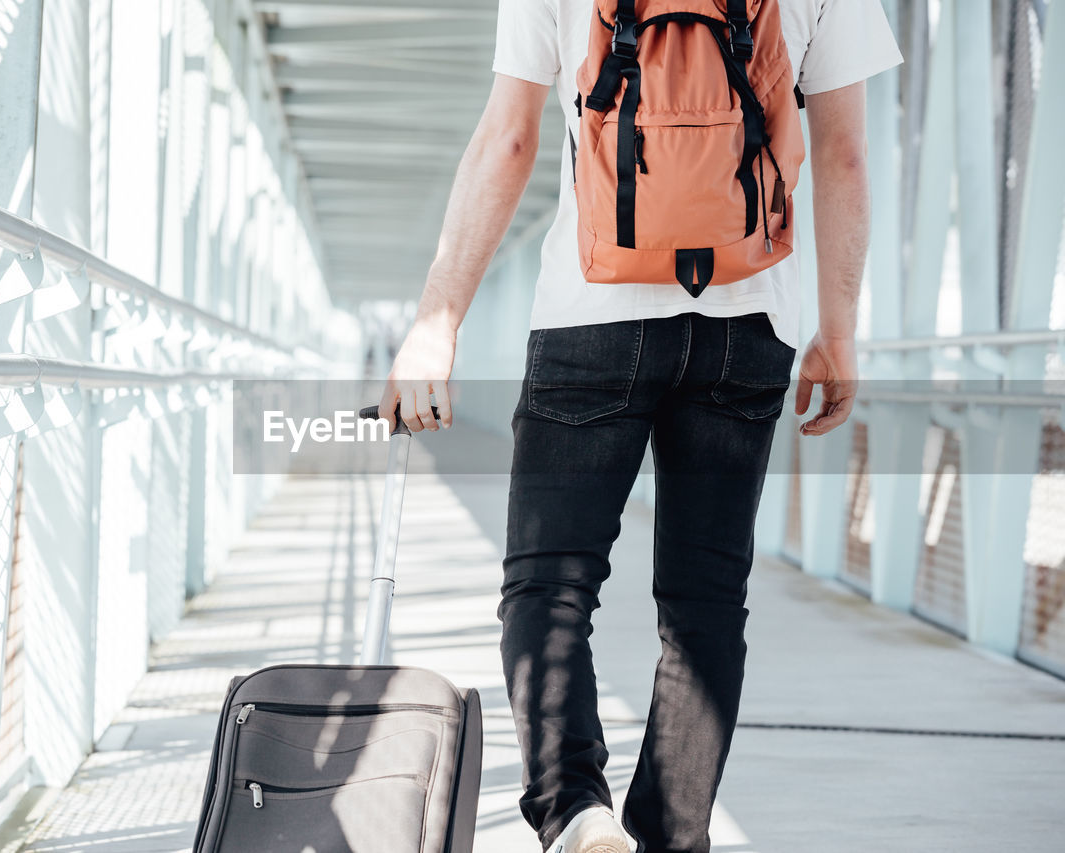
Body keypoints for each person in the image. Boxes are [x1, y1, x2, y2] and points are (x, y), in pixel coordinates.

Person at [377, 1, 902, 851]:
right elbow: (842, 151)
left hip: (591, 314)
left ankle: (576, 811)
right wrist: (836, 330)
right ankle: (668, 835)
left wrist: (438, 319)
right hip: (749, 325)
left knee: (549, 582)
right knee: (703, 605)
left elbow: (508, 140)